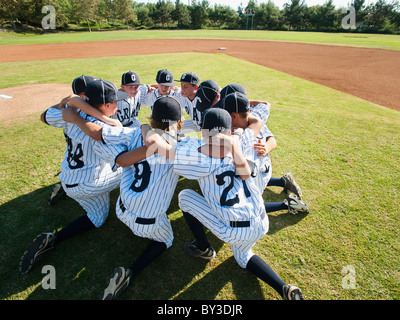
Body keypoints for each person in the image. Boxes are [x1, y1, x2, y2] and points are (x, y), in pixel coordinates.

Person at [145, 108, 304, 300]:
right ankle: (283, 287)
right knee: (243, 256)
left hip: (233, 229)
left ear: (203, 132)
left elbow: (153, 143)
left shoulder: (196, 154)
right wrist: (234, 140)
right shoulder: (242, 143)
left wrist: (145, 127)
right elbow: (256, 123)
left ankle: (203, 247)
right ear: (229, 131)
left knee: (185, 196)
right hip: (261, 222)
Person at [19, 79, 144, 275]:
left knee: (98, 218)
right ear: (106, 105)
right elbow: (121, 155)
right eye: (114, 102)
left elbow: (44, 116)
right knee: (130, 169)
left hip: (68, 177)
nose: (117, 105)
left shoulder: (68, 114)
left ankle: (54, 239)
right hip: (89, 184)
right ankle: (140, 208)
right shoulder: (108, 129)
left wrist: (72, 103)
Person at [91, 96, 183, 300]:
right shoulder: (180, 150)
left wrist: (142, 127)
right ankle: (131, 271)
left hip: (121, 209)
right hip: (147, 223)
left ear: (152, 119)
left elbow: (99, 136)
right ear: (178, 122)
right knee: (166, 240)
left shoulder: (133, 133)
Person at [221, 92, 309, 214]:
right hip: (263, 169)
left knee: (244, 207)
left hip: (256, 176)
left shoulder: (242, 139)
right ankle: (283, 181)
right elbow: (266, 104)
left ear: (234, 116)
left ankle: (288, 204)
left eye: (226, 113)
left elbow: (243, 173)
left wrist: (266, 147)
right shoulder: (256, 117)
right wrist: (246, 103)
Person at [48, 74, 96, 207]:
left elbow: (45, 115)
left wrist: (63, 103)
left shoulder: (65, 111)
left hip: (71, 157)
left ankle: (64, 188)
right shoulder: (86, 113)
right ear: (81, 96)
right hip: (85, 160)